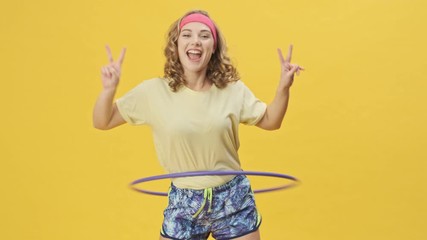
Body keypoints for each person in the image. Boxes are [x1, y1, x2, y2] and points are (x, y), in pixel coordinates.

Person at [93, 9, 303, 240]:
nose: (195, 41)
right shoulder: (153, 92)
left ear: (213, 47)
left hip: (232, 198)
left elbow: (272, 121)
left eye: (204, 35)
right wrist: (108, 90)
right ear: (176, 44)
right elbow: (103, 121)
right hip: (184, 202)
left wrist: (284, 87)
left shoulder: (232, 90)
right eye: (187, 35)